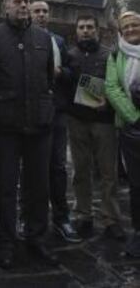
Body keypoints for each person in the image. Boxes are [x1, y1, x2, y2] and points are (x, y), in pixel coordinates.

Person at [0, 0, 57, 270]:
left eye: (27, 1)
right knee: (5, 188)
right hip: (5, 126)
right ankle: (6, 242)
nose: (24, 5)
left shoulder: (43, 37)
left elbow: (49, 77)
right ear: (5, 6)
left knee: (38, 186)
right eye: (18, 1)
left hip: (39, 125)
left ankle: (36, 238)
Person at [67, 14, 124, 240]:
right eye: (82, 27)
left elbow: (118, 85)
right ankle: (83, 215)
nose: (86, 31)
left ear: (97, 30)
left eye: (90, 27)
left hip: (104, 122)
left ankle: (111, 219)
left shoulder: (110, 54)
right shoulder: (69, 55)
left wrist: (108, 103)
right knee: (81, 170)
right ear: (76, 31)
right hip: (77, 120)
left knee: (108, 172)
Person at [30, 0, 81, 243]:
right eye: (36, 11)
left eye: (44, 12)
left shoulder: (58, 41)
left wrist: (62, 73)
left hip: (57, 112)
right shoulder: (23, 39)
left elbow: (73, 73)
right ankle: (28, 216)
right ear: (30, 14)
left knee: (58, 167)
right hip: (31, 112)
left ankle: (62, 217)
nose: (41, 15)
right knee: (29, 167)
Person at [105, 11, 140, 257]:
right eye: (125, 26)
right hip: (132, 128)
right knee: (137, 184)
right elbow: (112, 87)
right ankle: (139, 232)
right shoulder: (116, 53)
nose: (130, 29)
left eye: (135, 24)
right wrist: (135, 117)